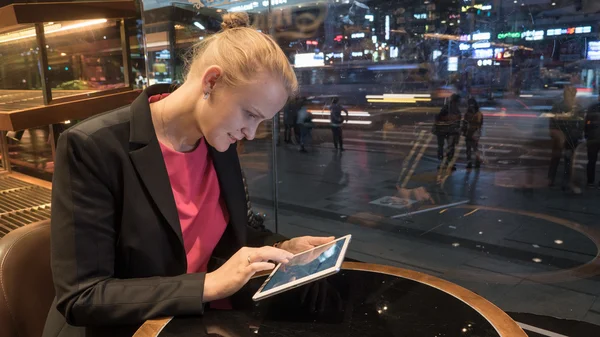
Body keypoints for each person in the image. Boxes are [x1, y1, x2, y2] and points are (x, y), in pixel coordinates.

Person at [43, 13, 334, 337]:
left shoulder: (218, 142)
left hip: (201, 321)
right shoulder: (93, 147)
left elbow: (226, 238)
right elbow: (83, 297)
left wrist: (284, 248)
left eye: (261, 121)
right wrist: (206, 286)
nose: (251, 134)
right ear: (210, 83)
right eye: (250, 115)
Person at [548, 86, 584, 191]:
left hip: (568, 136)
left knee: (563, 160)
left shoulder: (574, 107)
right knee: (559, 159)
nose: (570, 96)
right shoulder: (576, 107)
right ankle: (557, 180)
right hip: (564, 136)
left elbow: (581, 124)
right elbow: (552, 120)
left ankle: (556, 180)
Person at [433, 94, 462, 170]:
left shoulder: (451, 107)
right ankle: (445, 162)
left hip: (446, 130)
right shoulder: (449, 107)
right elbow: (440, 117)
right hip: (445, 130)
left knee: (446, 147)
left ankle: (445, 162)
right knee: (447, 147)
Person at [462, 97, 483, 169]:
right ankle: (477, 161)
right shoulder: (479, 113)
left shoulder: (468, 113)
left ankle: (469, 162)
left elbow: (464, 123)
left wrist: (463, 131)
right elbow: (480, 124)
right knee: (475, 148)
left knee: (468, 148)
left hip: (469, 132)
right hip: (476, 133)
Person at [585, 97, 600, 187]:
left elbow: (587, 122)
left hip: (592, 137)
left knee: (591, 160)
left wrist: (586, 134)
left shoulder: (592, 107)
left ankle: (590, 181)